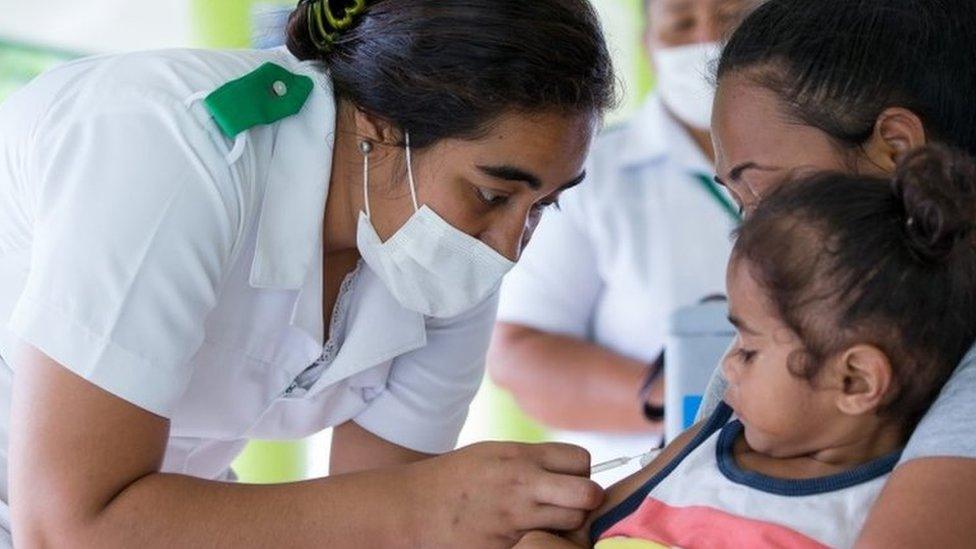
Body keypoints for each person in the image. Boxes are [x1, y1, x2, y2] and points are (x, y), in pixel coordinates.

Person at [0, 0, 616, 546]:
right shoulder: (169, 147)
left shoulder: (449, 253)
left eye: (545, 204)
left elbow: (373, 525)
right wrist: (424, 505)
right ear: (378, 123)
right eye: (491, 193)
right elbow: (66, 529)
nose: (510, 249)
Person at [517, 145, 976, 548]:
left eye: (749, 349)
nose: (728, 367)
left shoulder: (875, 519)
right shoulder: (704, 446)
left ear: (855, 380)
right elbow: (567, 533)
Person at [488, 0, 757, 476]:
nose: (707, 42)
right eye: (680, 23)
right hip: (633, 493)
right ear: (646, 45)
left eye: (731, 20)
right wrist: (685, 397)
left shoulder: (832, 164)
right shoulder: (585, 175)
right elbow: (519, 352)